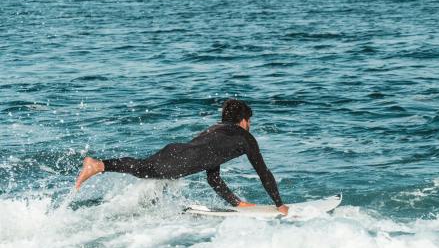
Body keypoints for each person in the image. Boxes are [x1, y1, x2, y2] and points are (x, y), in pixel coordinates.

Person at [75, 99, 289, 215]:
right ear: (243, 120)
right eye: (249, 121)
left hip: (175, 151)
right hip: (181, 161)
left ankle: (104, 169)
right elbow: (264, 173)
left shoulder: (213, 131)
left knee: (146, 171)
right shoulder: (245, 138)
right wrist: (279, 204)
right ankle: (98, 165)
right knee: (146, 171)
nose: (249, 126)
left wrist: (236, 203)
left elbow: (212, 177)